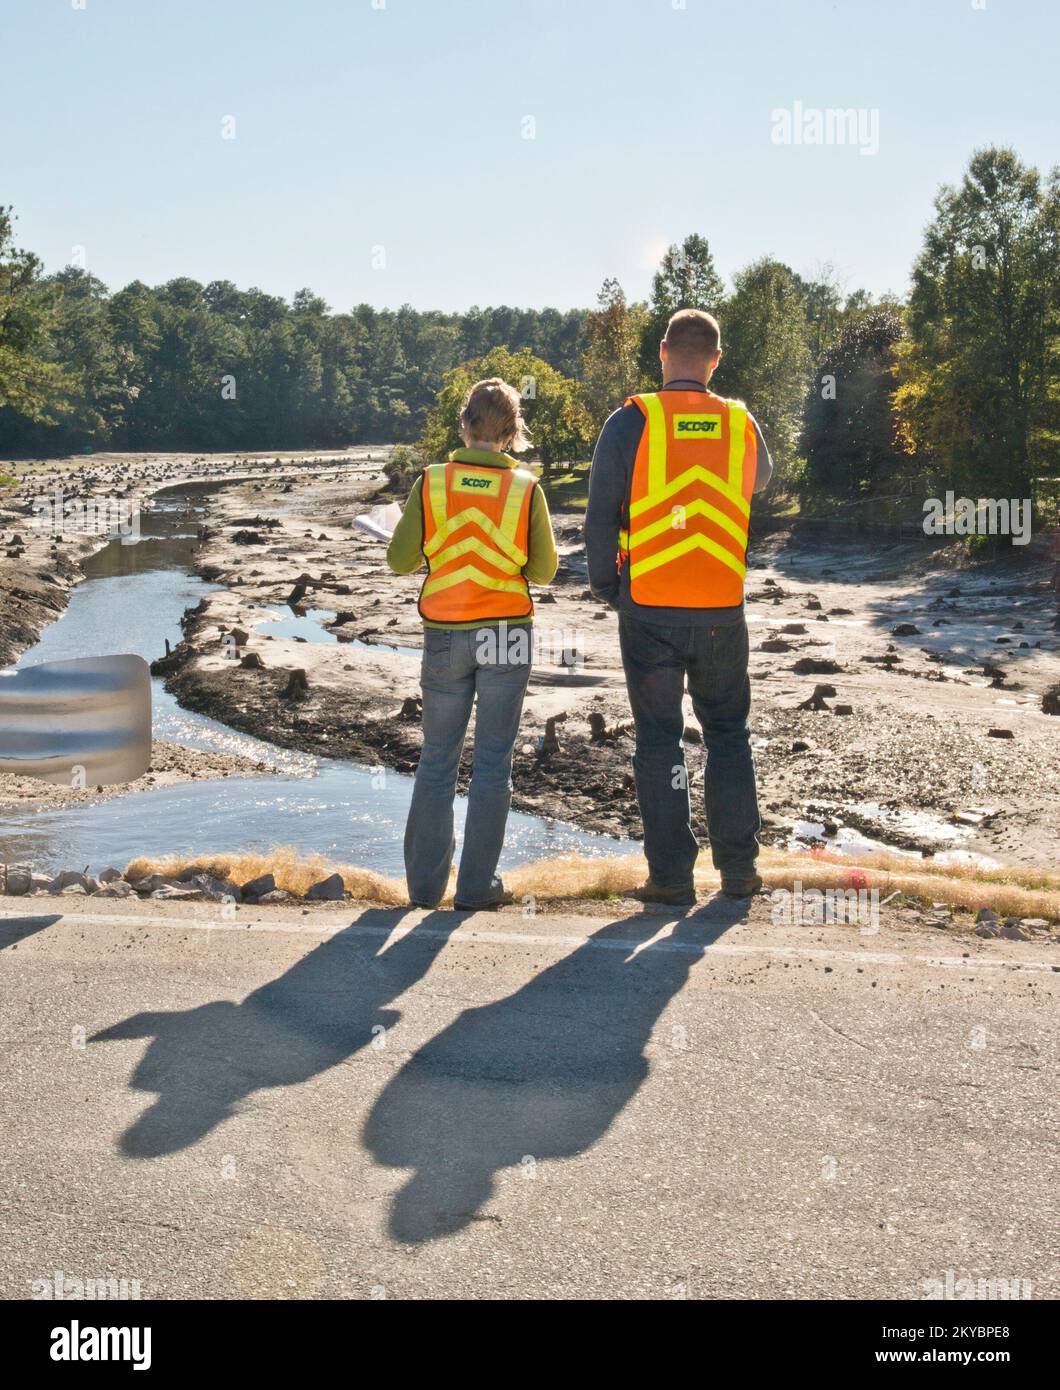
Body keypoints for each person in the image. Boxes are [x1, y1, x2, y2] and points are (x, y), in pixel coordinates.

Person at [584, 308, 773, 906]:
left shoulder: (629, 422)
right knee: (727, 735)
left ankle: (670, 878)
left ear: (663, 351)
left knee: (660, 741)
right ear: (716, 360)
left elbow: (597, 514)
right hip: (720, 606)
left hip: (650, 608)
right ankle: (738, 872)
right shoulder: (741, 423)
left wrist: (605, 587)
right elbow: (761, 482)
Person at [387, 378, 558, 909]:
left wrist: (442, 549)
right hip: (506, 633)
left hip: (444, 633)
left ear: (464, 424)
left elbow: (399, 561)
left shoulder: (432, 481)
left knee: (437, 760)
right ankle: (476, 888)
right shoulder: (527, 488)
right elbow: (546, 572)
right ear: (511, 433)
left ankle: (423, 889)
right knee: (492, 763)